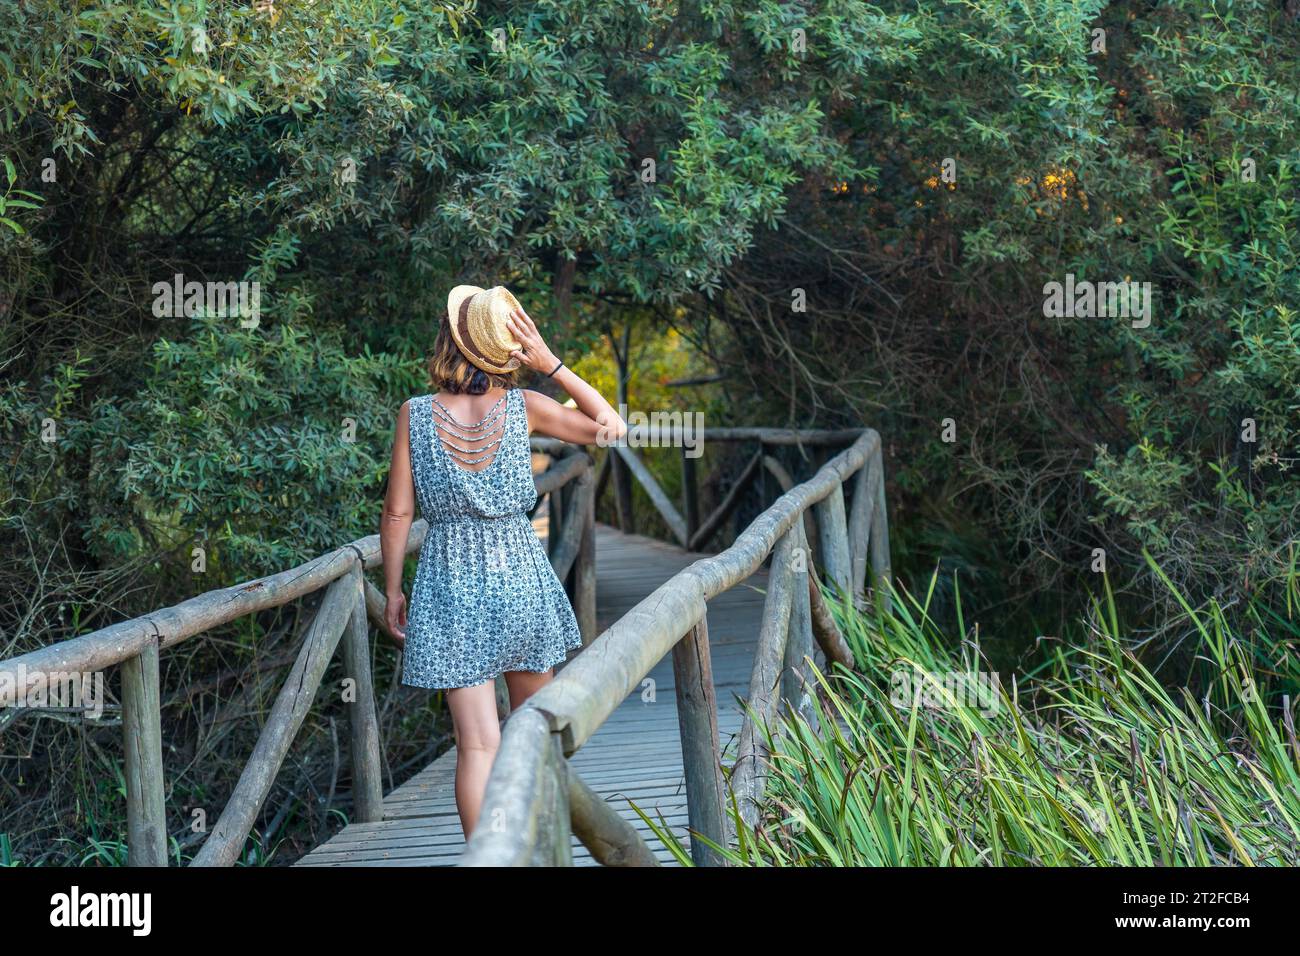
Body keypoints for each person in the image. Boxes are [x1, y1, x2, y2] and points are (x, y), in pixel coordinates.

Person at [379, 284, 627, 837]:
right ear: (504, 349)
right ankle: (536, 850)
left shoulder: (413, 415)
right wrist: (553, 366)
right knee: (532, 732)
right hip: (519, 578)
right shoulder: (527, 407)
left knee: (478, 744)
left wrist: (395, 590)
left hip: (448, 584)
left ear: (450, 340)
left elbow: (397, 514)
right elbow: (613, 427)